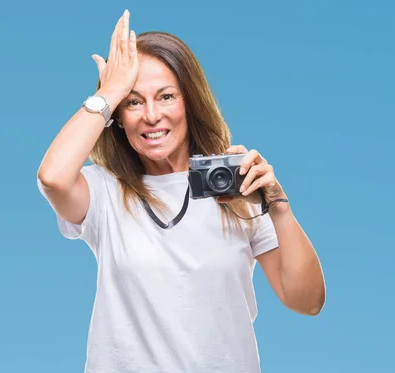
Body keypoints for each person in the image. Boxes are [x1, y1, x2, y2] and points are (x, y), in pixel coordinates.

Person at [36, 9, 326, 373]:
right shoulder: (105, 191)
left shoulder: (237, 188)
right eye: (134, 101)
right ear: (118, 118)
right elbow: (53, 178)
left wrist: (278, 206)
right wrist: (110, 89)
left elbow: (307, 301)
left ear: (191, 102)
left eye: (167, 96)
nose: (151, 115)